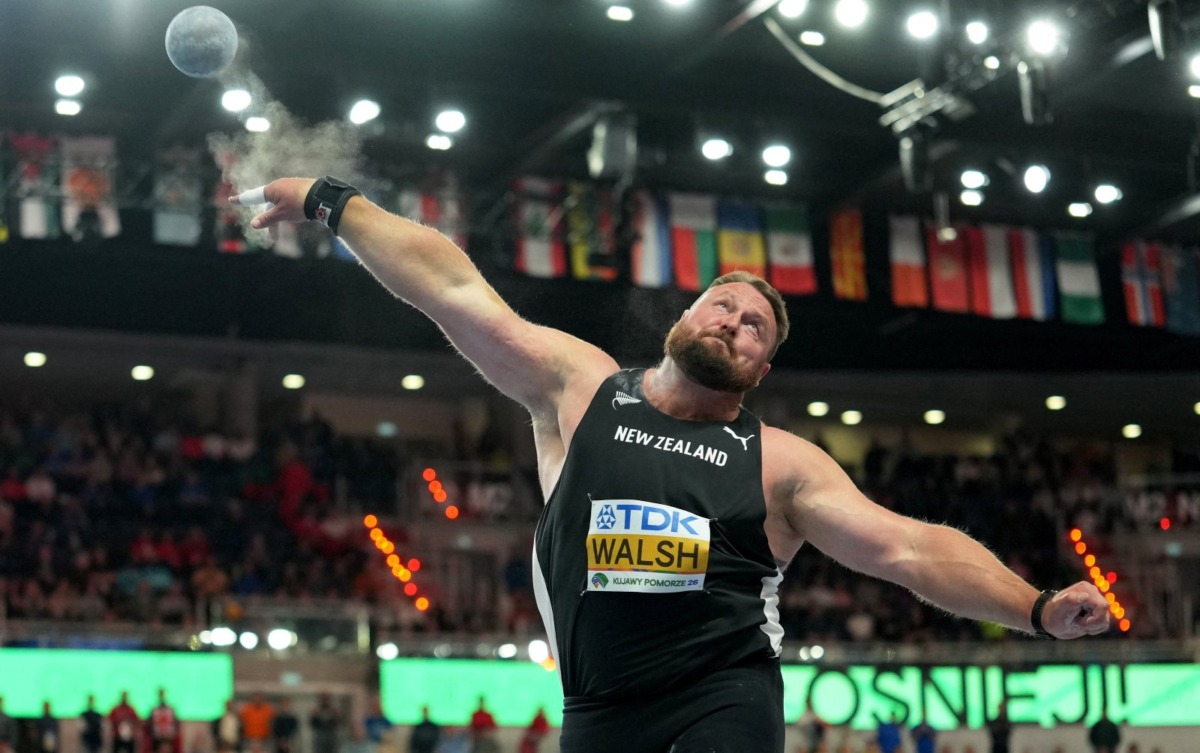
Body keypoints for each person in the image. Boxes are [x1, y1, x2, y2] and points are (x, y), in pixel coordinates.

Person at [237, 178, 1113, 753]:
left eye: (755, 325)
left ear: (761, 369)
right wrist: (329, 199)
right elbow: (452, 289)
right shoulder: (576, 387)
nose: (735, 320)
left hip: (721, 698)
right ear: (682, 317)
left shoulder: (781, 465)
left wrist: (1035, 607)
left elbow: (910, 550)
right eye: (722, 303)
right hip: (597, 710)